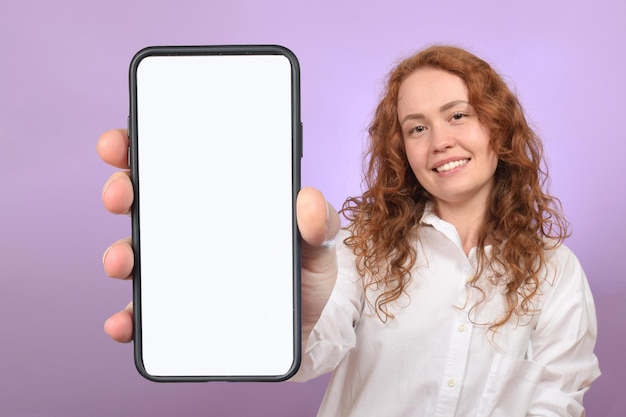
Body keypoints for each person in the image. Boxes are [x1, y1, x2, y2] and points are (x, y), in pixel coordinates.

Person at [98, 45, 600, 416]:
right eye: (417, 127)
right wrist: (283, 308)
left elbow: (557, 400)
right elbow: (310, 354)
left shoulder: (556, 273)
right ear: (402, 149)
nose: (441, 141)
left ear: (498, 127)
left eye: (458, 115)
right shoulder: (364, 248)